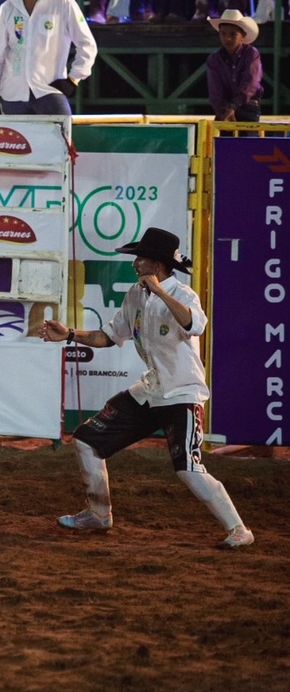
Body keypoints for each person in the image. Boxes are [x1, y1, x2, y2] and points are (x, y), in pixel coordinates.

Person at [39, 227, 255, 549]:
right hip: (151, 390)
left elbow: (195, 324)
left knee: (188, 469)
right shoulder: (135, 295)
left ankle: (239, 530)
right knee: (87, 440)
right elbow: (109, 336)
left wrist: (161, 292)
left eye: (140, 258)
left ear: (156, 264)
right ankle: (99, 514)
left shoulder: (183, 295)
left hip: (183, 393)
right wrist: (69, 333)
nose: (135, 263)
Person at [205, 9, 262, 123]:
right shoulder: (214, 58)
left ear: (243, 36)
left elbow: (251, 83)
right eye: (223, 34)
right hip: (224, 109)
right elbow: (215, 92)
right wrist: (224, 111)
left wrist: (233, 106)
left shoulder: (251, 53)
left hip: (247, 107)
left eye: (233, 34)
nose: (227, 38)